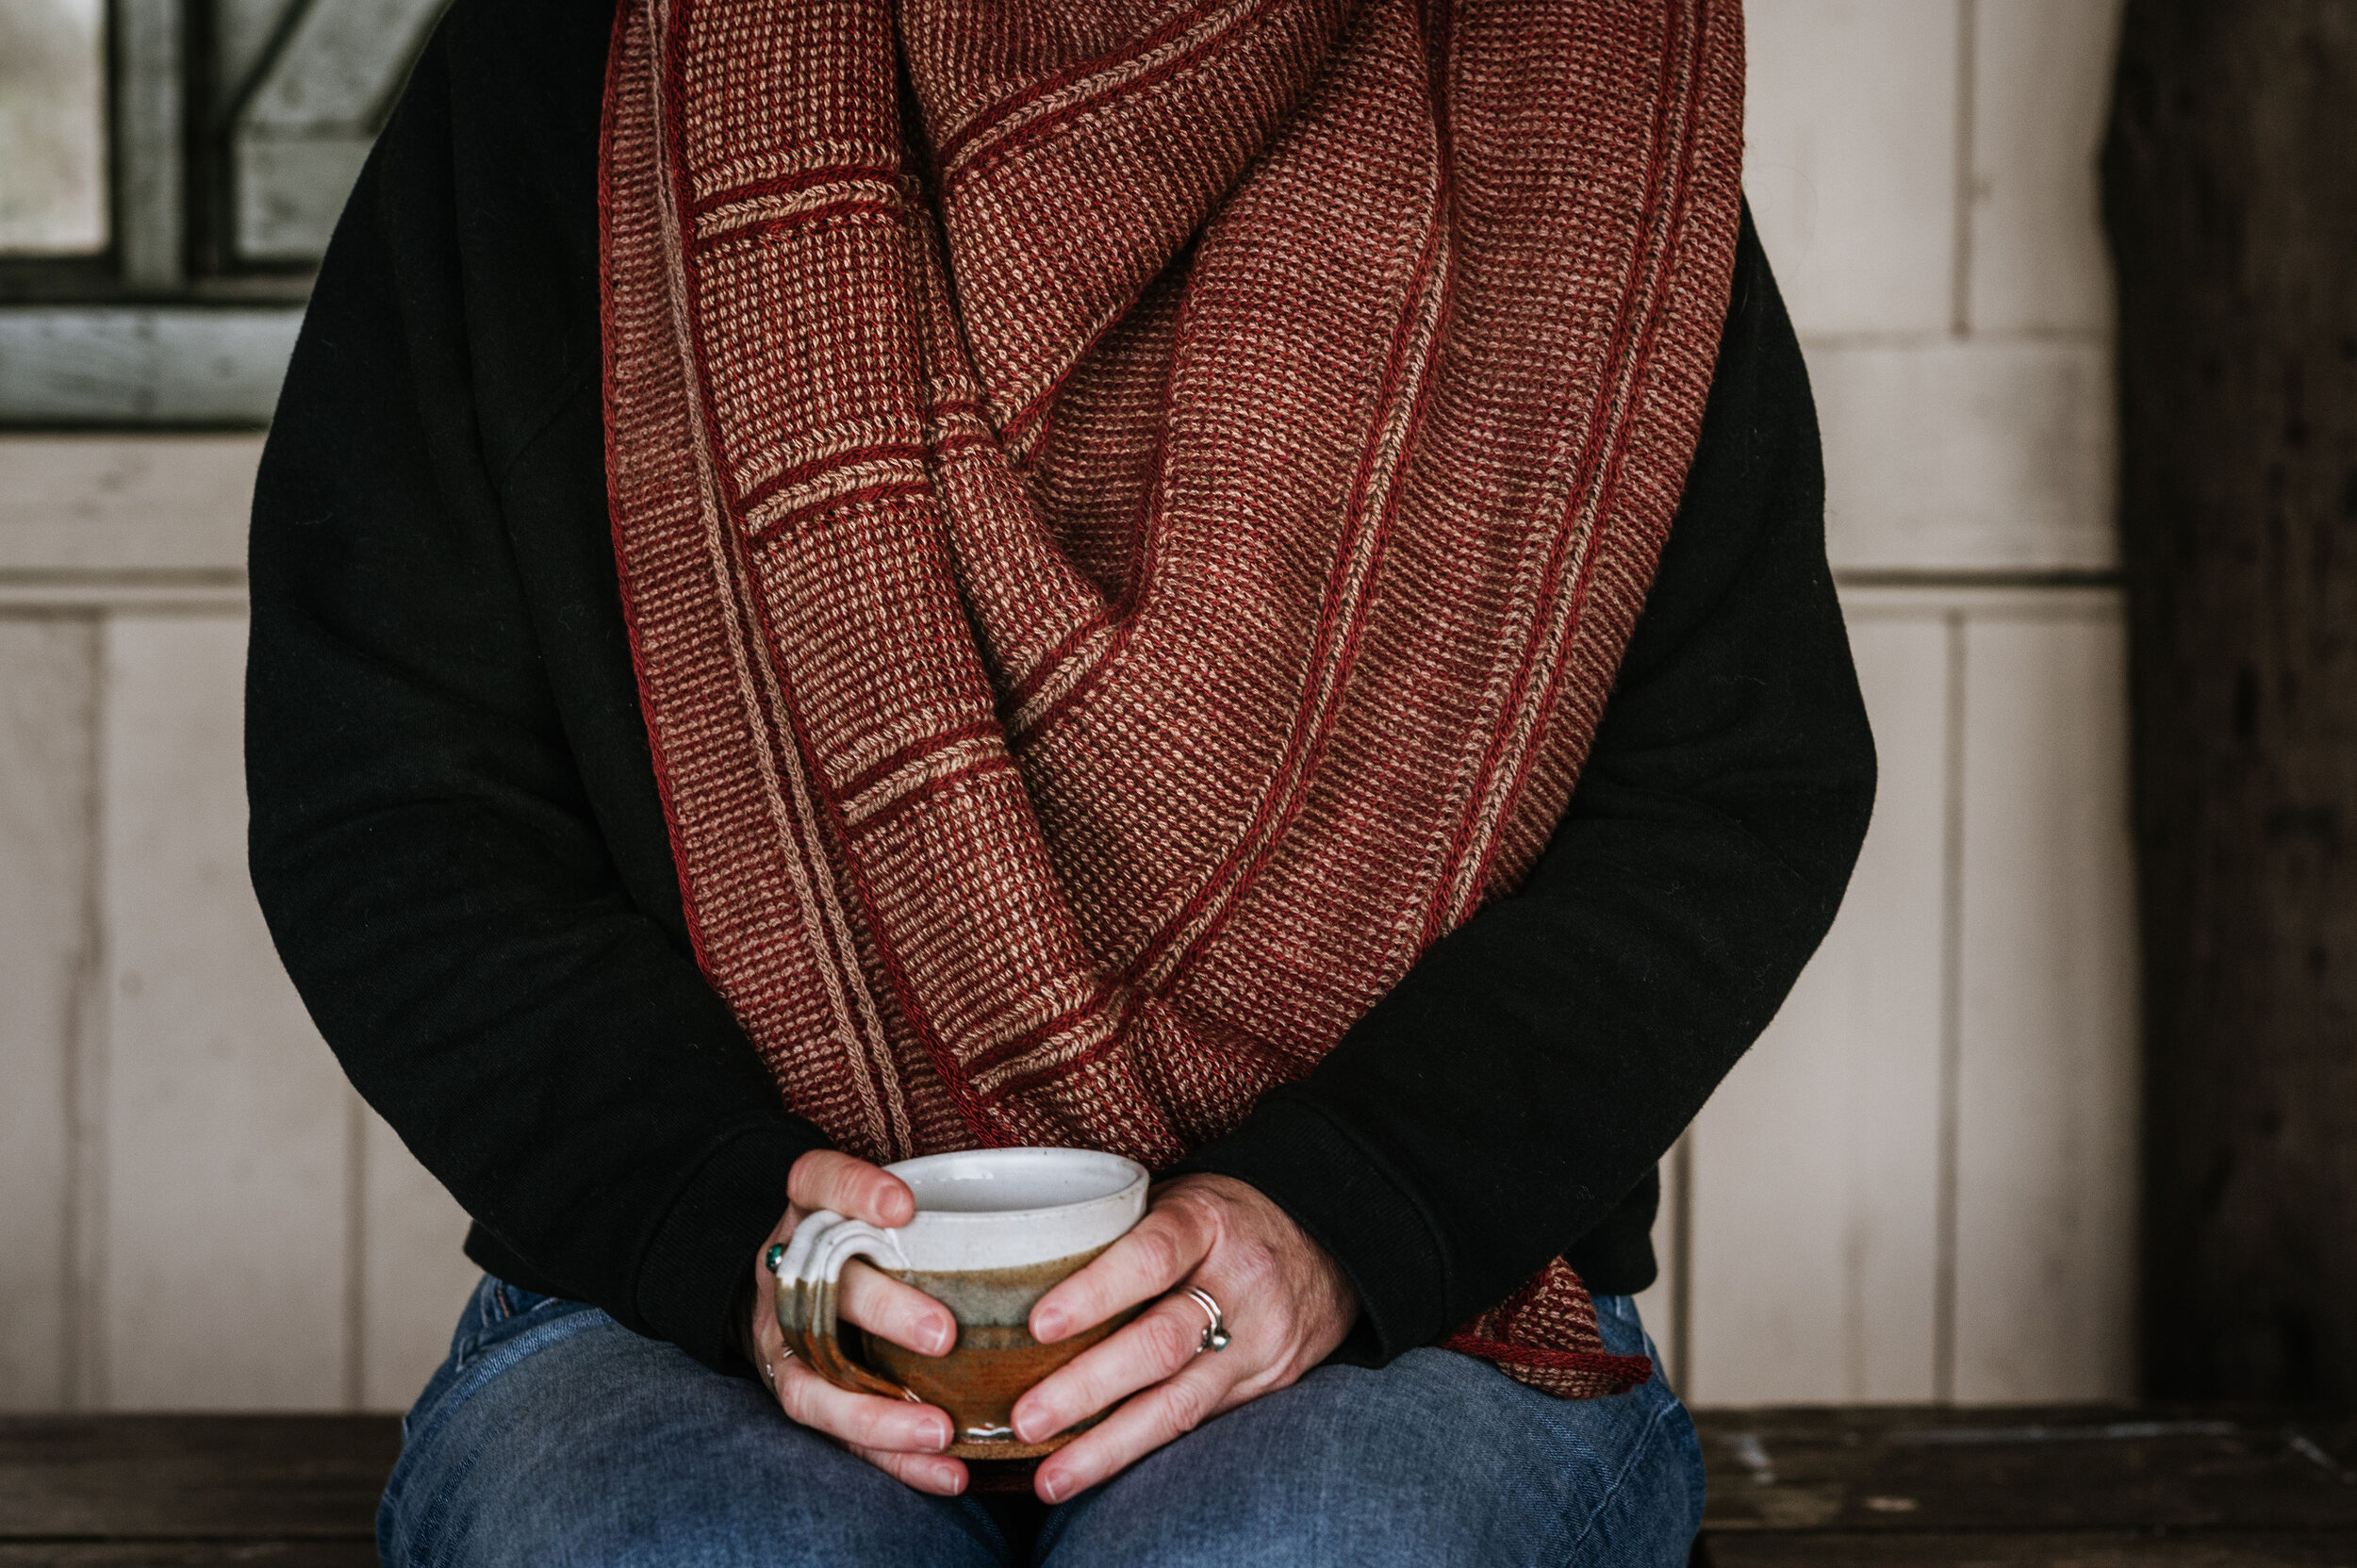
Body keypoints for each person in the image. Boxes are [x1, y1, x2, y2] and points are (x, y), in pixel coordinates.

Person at [245, 0, 1873, 1562]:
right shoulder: (576, 65)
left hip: (1416, 1312)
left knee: (1293, 1557)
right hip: (687, 1305)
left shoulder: (1564, 96)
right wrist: (723, 1230)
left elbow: (1732, 785)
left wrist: (1341, 1226)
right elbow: (393, 790)